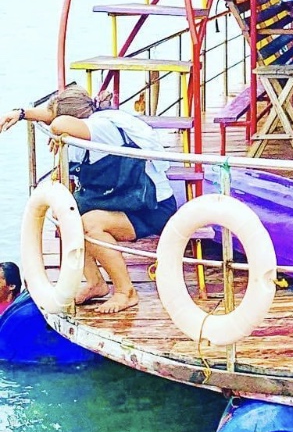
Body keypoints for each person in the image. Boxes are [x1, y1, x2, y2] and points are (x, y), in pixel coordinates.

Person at [0, 89, 176, 314]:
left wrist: (56, 126)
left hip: (151, 207)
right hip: (121, 200)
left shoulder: (102, 128)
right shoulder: (77, 140)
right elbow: (60, 121)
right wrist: (21, 114)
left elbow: (59, 123)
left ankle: (126, 292)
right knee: (66, 219)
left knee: (88, 224)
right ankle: (96, 283)